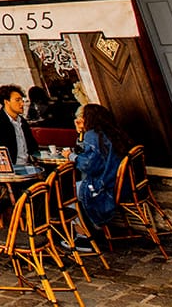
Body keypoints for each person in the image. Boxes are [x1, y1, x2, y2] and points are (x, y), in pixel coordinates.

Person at [66, 103, 128, 252]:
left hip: (102, 186)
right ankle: (90, 228)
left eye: (81, 117)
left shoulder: (93, 135)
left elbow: (89, 165)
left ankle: (84, 237)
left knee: (67, 194)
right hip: (119, 184)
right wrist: (80, 133)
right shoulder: (111, 132)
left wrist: (71, 156)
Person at [0, 83, 41, 166]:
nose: (22, 104)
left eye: (22, 100)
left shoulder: (22, 121)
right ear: (6, 102)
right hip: (12, 169)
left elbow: (33, 146)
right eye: (17, 100)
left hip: (29, 165)